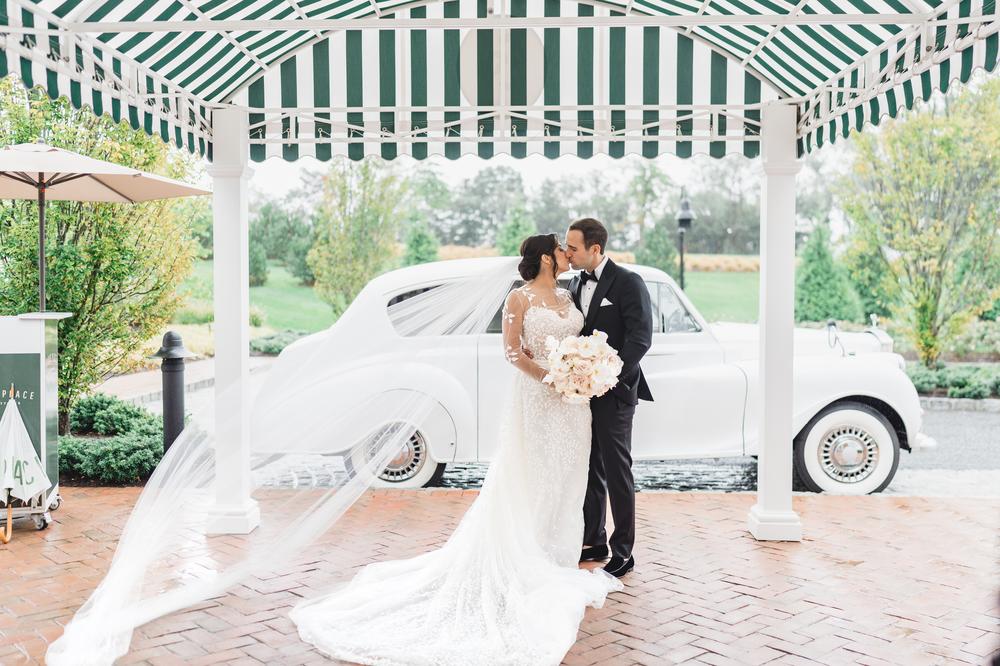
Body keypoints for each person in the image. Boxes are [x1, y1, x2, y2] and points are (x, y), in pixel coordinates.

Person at [290, 233, 622, 666]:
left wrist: (583, 371)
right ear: (547, 256)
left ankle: (557, 562)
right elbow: (512, 353)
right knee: (535, 479)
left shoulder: (567, 294)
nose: (568, 255)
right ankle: (529, 561)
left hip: (574, 409)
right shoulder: (518, 300)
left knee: (568, 481)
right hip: (539, 402)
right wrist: (553, 378)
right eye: (562, 249)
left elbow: (581, 343)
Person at [565, 218, 653, 579]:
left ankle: (623, 551)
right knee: (589, 469)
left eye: (573, 247)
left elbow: (640, 338)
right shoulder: (573, 283)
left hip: (615, 392)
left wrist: (606, 376)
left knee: (618, 471)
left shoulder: (628, 282)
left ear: (595, 249)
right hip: (581, 395)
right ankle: (594, 539)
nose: (567, 253)